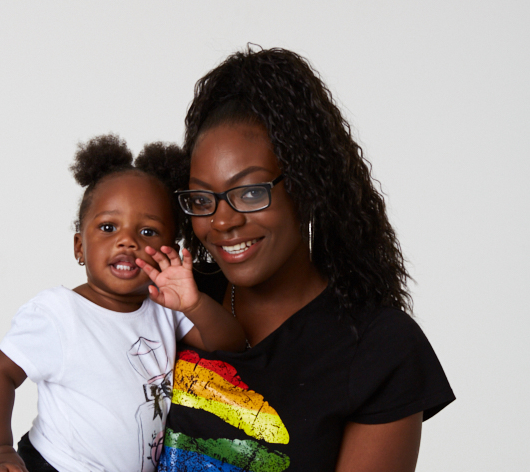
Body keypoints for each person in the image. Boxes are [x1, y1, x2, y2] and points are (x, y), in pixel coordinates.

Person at [158, 47, 455, 472]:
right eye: (204, 198)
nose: (222, 221)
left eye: (250, 192)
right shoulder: (177, 303)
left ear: (306, 187)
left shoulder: (378, 349)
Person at [0, 135, 246, 472]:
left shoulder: (165, 308)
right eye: (108, 227)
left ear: (170, 251)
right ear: (79, 247)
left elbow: (231, 344)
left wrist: (193, 305)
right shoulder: (58, 313)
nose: (127, 241)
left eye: (148, 232)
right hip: (56, 465)